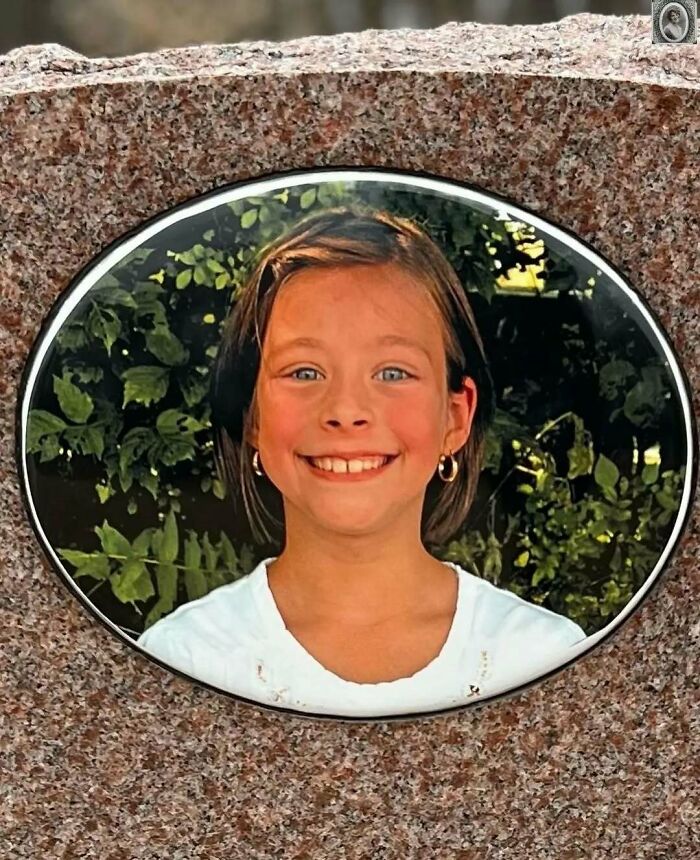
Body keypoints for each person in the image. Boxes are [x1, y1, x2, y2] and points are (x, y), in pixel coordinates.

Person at [137, 202, 586, 717]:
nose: (346, 411)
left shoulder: (543, 657)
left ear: (455, 416)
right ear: (251, 416)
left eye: (393, 373)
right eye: (304, 372)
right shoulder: (183, 659)